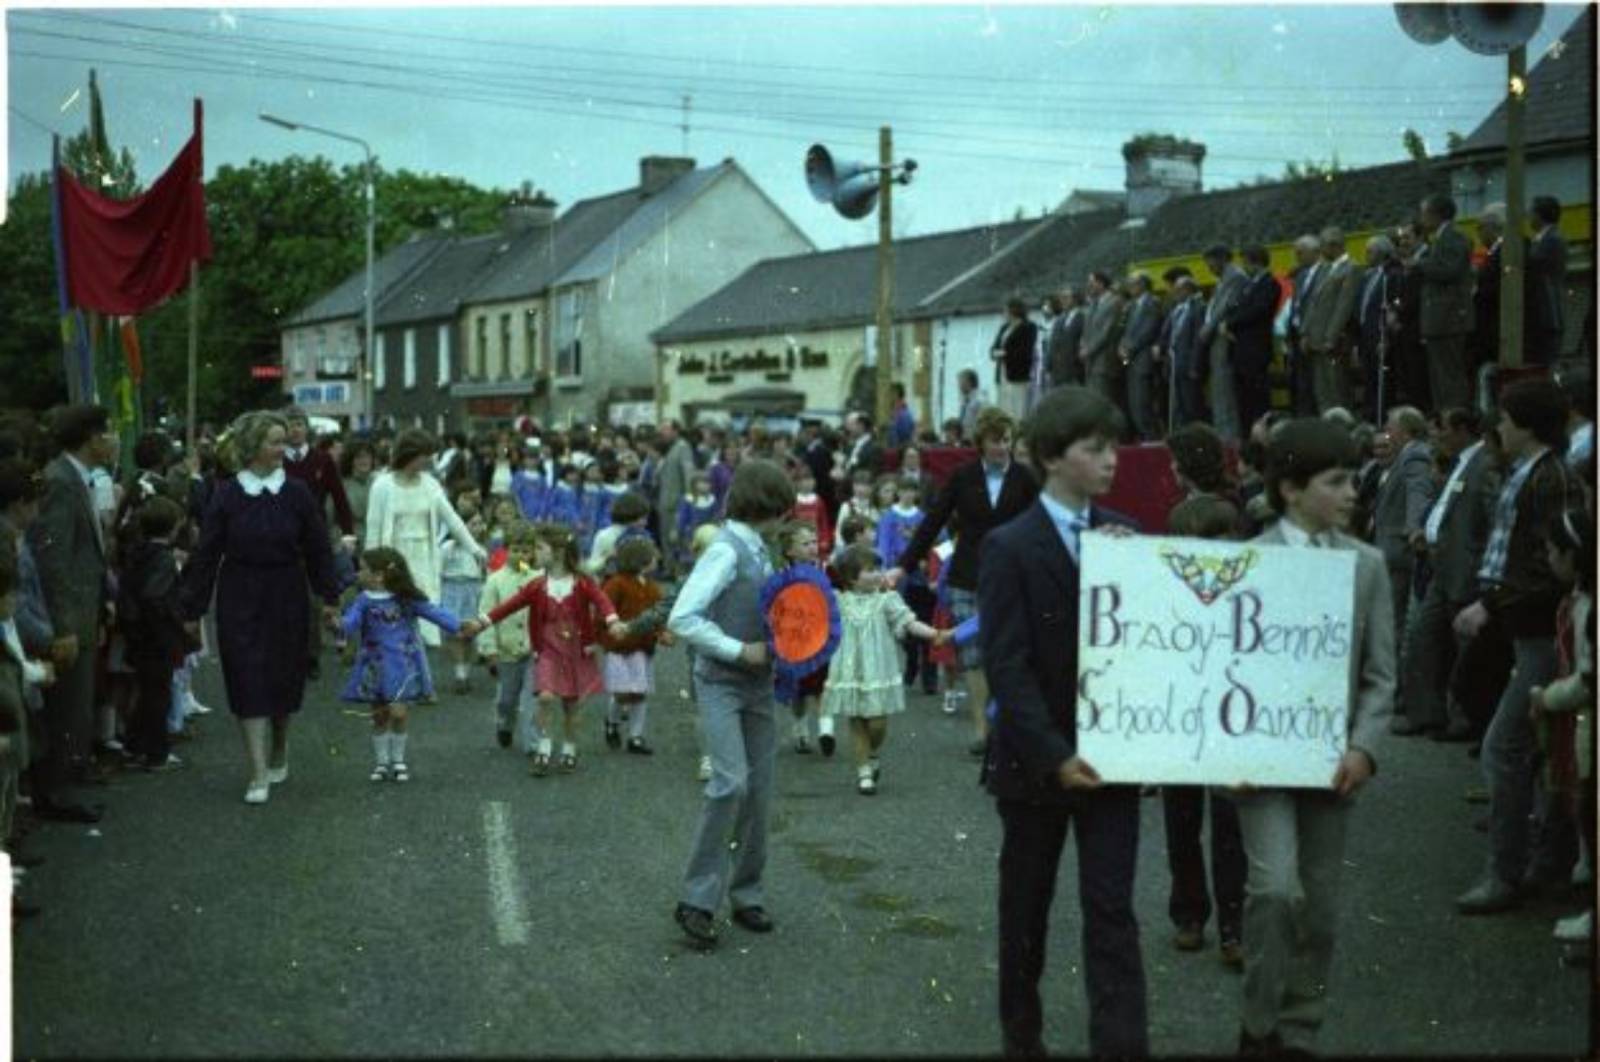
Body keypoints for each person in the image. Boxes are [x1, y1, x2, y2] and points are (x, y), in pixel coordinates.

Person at [977, 385, 1145, 1057]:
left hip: (1114, 755)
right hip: (1034, 764)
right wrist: (1054, 754)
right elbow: (1007, 665)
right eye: (1094, 449)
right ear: (1051, 457)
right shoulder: (1009, 546)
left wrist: (1133, 563)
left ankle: (1123, 1045)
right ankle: (1023, 1037)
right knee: (1026, 911)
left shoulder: (1128, 537)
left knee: (1112, 910)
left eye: (1113, 447)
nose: (1110, 460)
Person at [1234, 416, 1395, 1055]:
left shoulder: (1367, 566)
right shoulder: (1248, 561)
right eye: (1336, 481)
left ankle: (1299, 1029)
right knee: (1275, 891)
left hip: (1332, 765)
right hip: (1261, 764)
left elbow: (1382, 675)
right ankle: (1257, 1024)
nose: (1352, 492)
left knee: (1321, 909)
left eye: (1354, 479)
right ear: (1291, 489)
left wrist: (1365, 747)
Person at [1454, 378, 1580, 914]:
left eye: (1505, 418)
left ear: (1527, 424)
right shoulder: (1528, 471)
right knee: (1529, 746)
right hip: (1519, 622)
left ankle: (1506, 874)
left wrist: (1493, 605)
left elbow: (1551, 565)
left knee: (1505, 747)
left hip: (1536, 627)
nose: (1497, 426)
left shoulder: (1550, 478)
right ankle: (1542, 862)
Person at [179, 410, 342, 805]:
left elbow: (318, 549)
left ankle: (279, 746)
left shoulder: (298, 493)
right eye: (273, 441)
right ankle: (256, 771)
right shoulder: (229, 494)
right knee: (246, 674)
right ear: (252, 447)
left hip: (287, 591)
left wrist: (331, 599)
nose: (281, 449)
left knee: (284, 679)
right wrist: (192, 609)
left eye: (283, 441)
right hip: (240, 593)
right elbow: (207, 553)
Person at [666, 459, 796, 948]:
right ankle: (697, 900)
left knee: (759, 791)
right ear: (769, 506)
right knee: (729, 783)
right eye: (783, 507)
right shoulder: (725, 549)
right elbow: (683, 617)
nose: (788, 516)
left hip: (759, 686)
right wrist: (739, 650)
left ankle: (747, 893)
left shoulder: (763, 549)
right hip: (721, 681)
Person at [888, 406, 1038, 757]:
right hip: (967, 577)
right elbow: (932, 522)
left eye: (1007, 440)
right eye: (995, 441)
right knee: (973, 656)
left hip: (1013, 579)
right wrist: (902, 566)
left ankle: (1003, 725)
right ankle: (983, 731)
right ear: (981, 443)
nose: (1002, 447)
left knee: (1006, 654)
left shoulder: (1027, 479)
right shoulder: (962, 476)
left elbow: (1041, 525)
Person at [1160, 493, 1247, 969]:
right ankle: (1189, 915)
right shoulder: (1166, 590)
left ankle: (1235, 926)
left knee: (1232, 826)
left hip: (1231, 723)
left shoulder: (1251, 589)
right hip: (1179, 722)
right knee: (1182, 822)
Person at [466, 524, 627, 777]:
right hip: (547, 650)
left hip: (576, 651)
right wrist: (481, 622)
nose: (533, 553)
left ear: (559, 552)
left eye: (540, 548)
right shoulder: (537, 585)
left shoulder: (582, 582)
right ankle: (543, 746)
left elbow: (602, 600)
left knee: (571, 706)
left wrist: (613, 620)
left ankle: (570, 748)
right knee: (545, 697)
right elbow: (508, 606)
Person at [28, 406, 117, 823]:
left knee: (76, 706)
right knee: (66, 707)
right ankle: (56, 793)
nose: (114, 441)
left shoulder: (75, 479)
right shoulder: (61, 482)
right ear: (91, 439)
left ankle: (66, 781)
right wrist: (63, 627)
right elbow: (55, 561)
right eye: (108, 433)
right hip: (68, 619)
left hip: (85, 612)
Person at [1403, 408, 1500, 740]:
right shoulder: (1461, 463)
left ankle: (1465, 723)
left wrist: (1481, 568)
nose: (1437, 436)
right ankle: (1427, 715)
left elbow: (1491, 521)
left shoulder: (1484, 465)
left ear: (1462, 429)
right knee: (1423, 637)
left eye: (1441, 429)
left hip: (1465, 573)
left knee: (1464, 653)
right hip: (1441, 569)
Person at [822, 543, 947, 796]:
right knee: (856, 720)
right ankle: (864, 772)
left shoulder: (887, 600)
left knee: (877, 723)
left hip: (878, 668)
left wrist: (935, 634)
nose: (878, 573)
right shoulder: (837, 601)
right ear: (850, 576)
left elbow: (909, 622)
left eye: (878, 568)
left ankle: (872, 752)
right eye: (870, 569)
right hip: (849, 669)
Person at [340, 547, 465, 783]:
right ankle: (382, 762)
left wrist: (458, 626)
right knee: (379, 715)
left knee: (398, 712)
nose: (358, 573)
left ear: (379, 575)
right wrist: (338, 624)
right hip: (373, 665)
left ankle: (398, 759)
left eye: (363, 569)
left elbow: (432, 612)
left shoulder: (404, 599)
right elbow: (350, 623)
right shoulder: (363, 600)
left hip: (401, 664)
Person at [1528, 508, 1595, 946]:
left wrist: (1547, 697)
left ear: (1574, 555)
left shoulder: (1591, 606)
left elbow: (1590, 678)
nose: (1549, 558)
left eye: (1554, 550)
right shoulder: (1578, 596)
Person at [364, 429, 487, 649]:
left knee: (422, 619)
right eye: (425, 455)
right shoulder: (382, 486)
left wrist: (475, 549)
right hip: (393, 559)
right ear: (411, 454)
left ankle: (419, 674)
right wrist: (372, 569)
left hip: (424, 559)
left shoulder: (430, 484)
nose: (429, 460)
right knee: (393, 619)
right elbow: (373, 530)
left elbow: (452, 519)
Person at [117, 496, 192, 772]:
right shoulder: (163, 560)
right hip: (158, 636)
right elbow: (155, 596)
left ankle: (135, 746)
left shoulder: (136, 552)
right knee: (158, 694)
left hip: (137, 633)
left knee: (147, 692)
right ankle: (156, 753)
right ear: (172, 528)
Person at [598, 536, 668, 755]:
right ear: (641, 560)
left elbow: (656, 616)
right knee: (621, 692)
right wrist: (606, 635)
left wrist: (661, 633)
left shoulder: (652, 588)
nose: (656, 558)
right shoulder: (616, 584)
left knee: (639, 691)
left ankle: (636, 736)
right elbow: (604, 612)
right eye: (651, 555)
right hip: (619, 648)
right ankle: (612, 721)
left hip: (642, 647)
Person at [477, 522, 542, 752]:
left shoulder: (539, 578)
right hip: (506, 649)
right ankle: (505, 724)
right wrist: (489, 648)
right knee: (507, 699)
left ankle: (533, 743)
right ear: (506, 550)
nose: (520, 555)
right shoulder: (495, 580)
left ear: (533, 551)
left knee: (531, 699)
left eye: (526, 550)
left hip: (534, 648)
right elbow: (486, 614)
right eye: (515, 550)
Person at [1415, 193, 1475, 413]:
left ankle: (1456, 416)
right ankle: (1445, 416)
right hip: (1439, 321)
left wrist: (1420, 264)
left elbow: (1449, 270)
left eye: (1424, 213)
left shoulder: (1455, 238)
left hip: (1449, 319)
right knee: (1440, 376)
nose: (1421, 219)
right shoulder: (1440, 239)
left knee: (1450, 374)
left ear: (1436, 214)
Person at [1300, 227, 1361, 416]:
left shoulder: (1352, 268)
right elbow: (1313, 304)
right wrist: (1305, 333)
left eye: (1322, 246)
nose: (1320, 251)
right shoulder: (1324, 269)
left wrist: (1330, 337)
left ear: (1334, 245)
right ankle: (1326, 426)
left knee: (1338, 389)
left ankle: (1344, 429)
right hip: (1315, 340)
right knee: (1322, 391)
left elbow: (1344, 305)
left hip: (1333, 341)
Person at [1223, 245, 1282, 438]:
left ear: (1255, 262)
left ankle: (1261, 435)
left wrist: (1231, 324)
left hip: (1256, 349)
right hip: (1240, 349)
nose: (1244, 267)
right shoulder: (1249, 285)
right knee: (1244, 398)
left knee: (1258, 398)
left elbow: (1257, 311)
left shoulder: (1270, 284)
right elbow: (1234, 308)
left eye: (1246, 263)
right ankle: (1247, 435)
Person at [440, 489, 488, 694]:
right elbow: (438, 570)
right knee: (455, 634)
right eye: (472, 524)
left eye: (480, 523)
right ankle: (460, 673)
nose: (477, 528)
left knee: (469, 634)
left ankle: (465, 672)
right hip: (453, 589)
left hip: (473, 591)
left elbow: (486, 572)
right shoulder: (448, 547)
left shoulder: (481, 549)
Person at [1198, 245, 1249, 440]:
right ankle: (1223, 437)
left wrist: (1206, 329)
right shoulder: (1223, 280)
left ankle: (1229, 440)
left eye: (1209, 262)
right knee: (1219, 394)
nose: (1208, 267)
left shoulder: (1235, 277)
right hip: (1216, 343)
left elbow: (1223, 309)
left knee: (1225, 396)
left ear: (1221, 259)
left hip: (1223, 342)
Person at [1119, 273, 1165, 441]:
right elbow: (1125, 329)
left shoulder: (1152, 302)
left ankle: (1153, 439)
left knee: (1143, 403)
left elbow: (1149, 329)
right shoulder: (1132, 306)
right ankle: (1145, 437)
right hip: (1131, 361)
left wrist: (1130, 347)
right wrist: (1122, 346)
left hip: (1143, 360)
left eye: (1133, 284)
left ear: (1143, 284)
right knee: (1134, 404)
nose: (1129, 287)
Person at [1525, 195, 1568, 366]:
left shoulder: (1552, 240)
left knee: (1546, 363)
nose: (1528, 216)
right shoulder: (1543, 240)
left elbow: (1534, 268)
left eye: (1531, 212)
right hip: (1545, 314)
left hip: (1548, 314)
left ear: (1539, 215)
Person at [991, 298, 1038, 420]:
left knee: (1017, 410)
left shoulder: (1029, 327)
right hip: (1002, 373)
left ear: (1014, 311)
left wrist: (1003, 354)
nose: (1004, 313)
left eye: (1005, 311)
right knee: (1003, 409)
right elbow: (993, 349)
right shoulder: (1004, 328)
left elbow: (1024, 352)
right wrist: (999, 353)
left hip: (1017, 375)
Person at [675, 473, 719, 574]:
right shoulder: (688, 499)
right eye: (701, 482)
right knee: (689, 562)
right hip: (690, 535)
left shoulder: (712, 500)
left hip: (707, 536)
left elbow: (715, 517)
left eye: (707, 483)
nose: (705, 486)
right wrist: (680, 531)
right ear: (694, 484)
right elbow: (682, 519)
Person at [957, 369, 988, 444]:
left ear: (969, 382)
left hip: (975, 440)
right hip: (964, 439)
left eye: (961, 382)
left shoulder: (980, 400)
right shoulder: (965, 400)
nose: (959, 385)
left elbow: (983, 422)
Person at [887, 382, 916, 449]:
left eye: (891, 393)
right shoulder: (894, 410)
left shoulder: (904, 413)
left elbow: (905, 433)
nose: (889, 396)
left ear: (896, 394)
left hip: (900, 448)